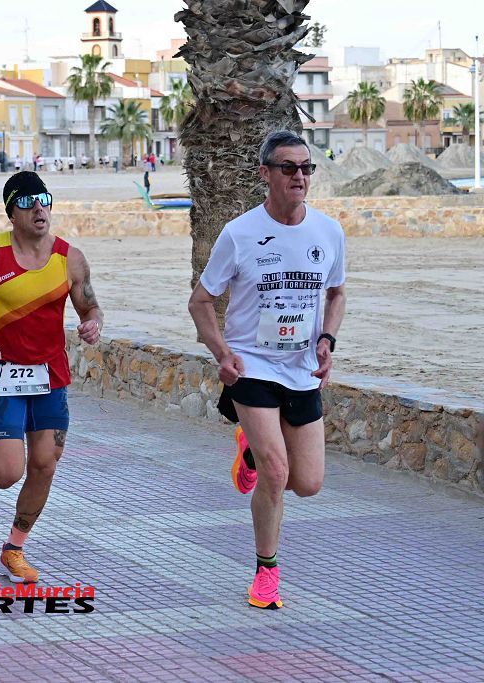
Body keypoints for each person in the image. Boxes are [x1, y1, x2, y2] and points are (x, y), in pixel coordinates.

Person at [187, 130, 346, 610]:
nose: (299, 176)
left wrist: (327, 339)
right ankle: (267, 573)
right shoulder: (240, 233)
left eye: (306, 168)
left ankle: (251, 453)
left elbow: (336, 292)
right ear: (266, 174)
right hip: (252, 366)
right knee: (278, 474)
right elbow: (200, 302)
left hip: (301, 370)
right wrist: (223, 354)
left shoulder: (328, 232)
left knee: (308, 483)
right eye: (288, 168)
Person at [0, 171, 103, 584]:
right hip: (5, 376)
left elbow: (90, 308)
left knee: (46, 464)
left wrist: (93, 323)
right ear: (11, 211)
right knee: (6, 475)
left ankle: (14, 548)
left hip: (51, 376)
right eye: (29, 201)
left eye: (44, 199)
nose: (39, 208)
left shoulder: (69, 258)